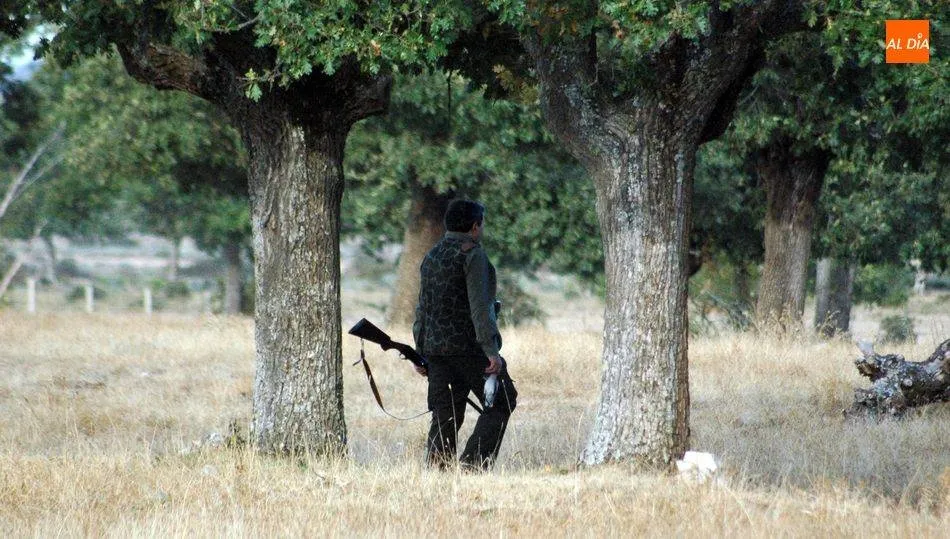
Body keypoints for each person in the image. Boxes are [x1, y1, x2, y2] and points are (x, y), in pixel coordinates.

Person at [413, 199, 517, 470]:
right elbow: (480, 308)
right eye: (481, 225)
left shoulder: (431, 256)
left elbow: (422, 308)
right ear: (474, 227)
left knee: (445, 414)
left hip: (435, 351)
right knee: (503, 399)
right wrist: (491, 351)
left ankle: (438, 473)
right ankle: (472, 467)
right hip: (469, 349)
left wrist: (420, 352)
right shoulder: (473, 255)